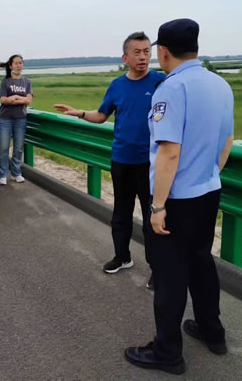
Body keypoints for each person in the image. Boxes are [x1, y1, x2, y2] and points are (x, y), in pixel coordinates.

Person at [124, 18, 234, 375]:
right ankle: (212, 331)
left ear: (163, 51)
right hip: (208, 191)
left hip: (177, 199)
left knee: (170, 274)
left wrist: (157, 206)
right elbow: (227, 140)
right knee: (201, 262)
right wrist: (208, 174)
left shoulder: (171, 88)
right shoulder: (220, 84)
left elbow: (169, 152)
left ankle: (167, 352)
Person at [55, 32, 165, 288]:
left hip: (150, 164)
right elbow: (102, 115)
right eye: (137, 52)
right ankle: (122, 256)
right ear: (125, 57)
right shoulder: (116, 85)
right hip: (121, 160)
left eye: (147, 52)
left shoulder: (161, 82)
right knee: (121, 213)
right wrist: (80, 113)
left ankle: (157, 268)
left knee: (151, 217)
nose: (143, 57)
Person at [0, 54, 33, 185]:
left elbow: (28, 100)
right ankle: (2, 175)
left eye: (20, 63)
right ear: (11, 66)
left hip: (20, 119)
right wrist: (19, 98)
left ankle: (16, 173)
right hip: (5, 119)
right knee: (4, 148)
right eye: (16, 63)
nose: (19, 65)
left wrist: (14, 98)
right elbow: (3, 100)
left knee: (18, 148)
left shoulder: (27, 82)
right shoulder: (5, 81)